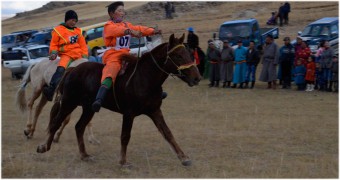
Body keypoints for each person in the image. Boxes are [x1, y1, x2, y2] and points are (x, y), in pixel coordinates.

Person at [92, 1, 162, 112]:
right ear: (111, 14)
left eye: (123, 10)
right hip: (113, 55)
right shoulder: (108, 26)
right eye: (119, 11)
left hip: (126, 54)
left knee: (143, 67)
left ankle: (154, 92)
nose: (122, 13)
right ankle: (99, 99)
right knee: (111, 70)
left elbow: (140, 28)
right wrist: (130, 31)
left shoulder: (126, 24)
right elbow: (117, 31)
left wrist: (153, 31)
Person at [43, 10, 88, 101]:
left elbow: (83, 45)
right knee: (60, 70)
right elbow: (54, 44)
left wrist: (85, 56)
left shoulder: (78, 31)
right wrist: (54, 53)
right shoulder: (58, 31)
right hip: (66, 55)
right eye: (72, 20)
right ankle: (51, 90)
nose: (73, 22)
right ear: (66, 20)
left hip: (78, 55)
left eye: (75, 21)